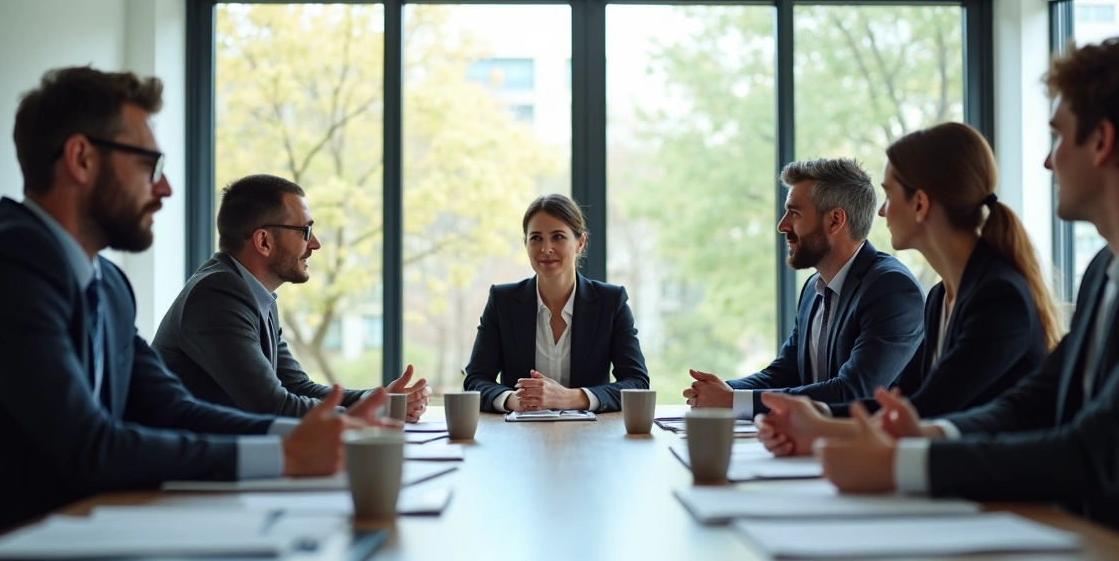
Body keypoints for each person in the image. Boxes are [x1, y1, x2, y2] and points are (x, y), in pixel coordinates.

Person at [0, 67, 392, 542]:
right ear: (81, 159)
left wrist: (297, 438)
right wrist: (286, 455)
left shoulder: (107, 283)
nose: (164, 188)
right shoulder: (8, 262)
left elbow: (172, 408)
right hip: (4, 558)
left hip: (87, 534)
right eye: (150, 165)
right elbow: (90, 446)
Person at [809, 34, 1119, 555]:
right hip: (1095, 551)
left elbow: (1101, 446)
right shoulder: (1107, 267)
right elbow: (1033, 403)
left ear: (1102, 143)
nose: (1049, 163)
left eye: (1059, 137)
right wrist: (928, 439)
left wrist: (907, 461)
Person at [759, 123, 1062, 455]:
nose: (881, 211)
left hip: (1000, 495)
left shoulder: (998, 296)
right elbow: (909, 405)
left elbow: (930, 409)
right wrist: (812, 418)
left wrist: (820, 422)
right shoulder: (938, 298)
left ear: (920, 204)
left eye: (889, 196)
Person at [153, 174, 431, 421]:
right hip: (186, 473)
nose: (315, 244)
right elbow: (272, 405)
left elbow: (297, 387)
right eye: (305, 231)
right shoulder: (218, 294)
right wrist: (377, 411)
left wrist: (379, 398)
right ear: (263, 241)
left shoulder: (254, 295)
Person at [683, 158, 924, 419]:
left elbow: (853, 392)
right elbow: (787, 372)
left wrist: (734, 400)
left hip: (873, 454)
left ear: (834, 221)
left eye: (794, 213)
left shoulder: (891, 289)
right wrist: (723, 390)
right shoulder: (814, 288)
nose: (782, 225)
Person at [464, 194, 649, 413]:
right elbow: (475, 380)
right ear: (526, 243)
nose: (546, 248)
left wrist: (570, 398)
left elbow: (637, 383)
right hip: (518, 437)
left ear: (580, 243)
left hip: (592, 439)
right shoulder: (502, 301)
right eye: (536, 238)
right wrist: (512, 400)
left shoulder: (611, 302)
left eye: (558, 237)